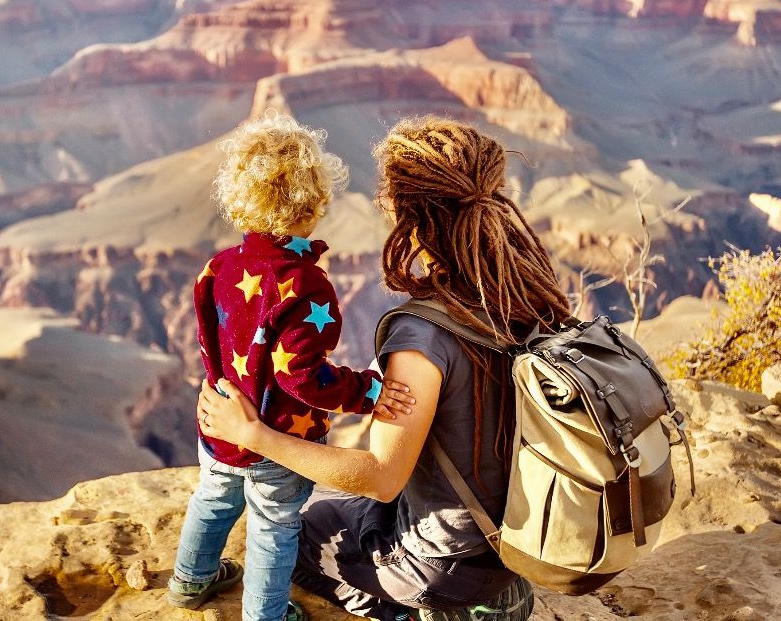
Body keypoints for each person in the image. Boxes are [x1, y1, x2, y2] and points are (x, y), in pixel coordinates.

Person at [199, 116, 572, 620]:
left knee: (301, 528)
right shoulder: (524, 293)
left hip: (445, 565)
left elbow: (380, 478)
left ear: (408, 214)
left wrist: (255, 436)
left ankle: (420, 611)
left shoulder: (422, 339)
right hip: (520, 540)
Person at [169, 113, 414, 621]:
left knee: (213, 498)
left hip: (219, 418)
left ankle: (189, 583)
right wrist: (368, 392)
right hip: (278, 434)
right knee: (274, 526)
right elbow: (300, 377)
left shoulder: (219, 266)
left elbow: (209, 340)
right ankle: (266, 615)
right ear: (316, 201)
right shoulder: (305, 286)